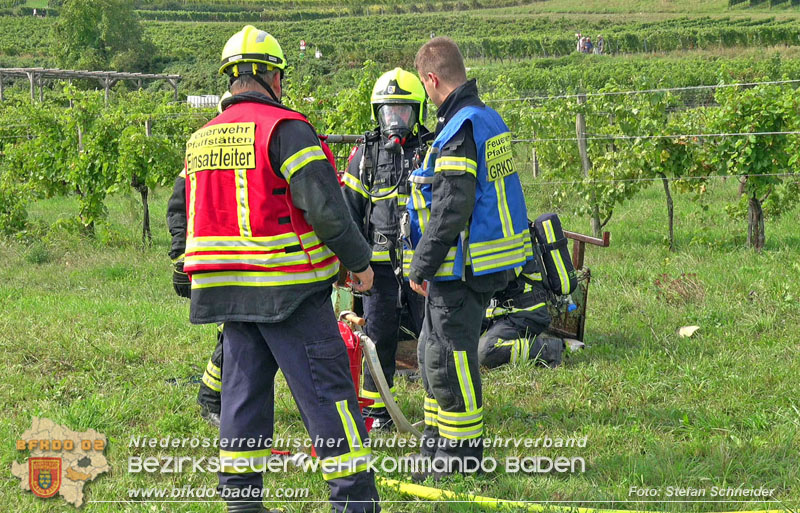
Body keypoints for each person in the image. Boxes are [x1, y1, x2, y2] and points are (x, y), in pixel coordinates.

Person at [182, 25, 380, 513]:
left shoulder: (200, 139)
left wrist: (179, 263)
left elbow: (179, 209)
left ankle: (241, 505)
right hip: (289, 292)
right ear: (272, 75)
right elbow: (326, 209)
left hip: (229, 294)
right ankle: (355, 503)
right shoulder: (285, 128)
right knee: (331, 400)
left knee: (242, 404)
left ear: (230, 78)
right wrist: (360, 264)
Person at [406, 37, 533, 480]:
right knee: (429, 351)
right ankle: (436, 445)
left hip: (461, 268)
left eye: (424, 87)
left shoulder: (459, 127)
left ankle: (461, 457)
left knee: (447, 358)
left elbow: (451, 207)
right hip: (476, 263)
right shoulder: (486, 118)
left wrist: (420, 264)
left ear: (432, 79)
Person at [341, 68, 429, 431]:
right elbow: (349, 209)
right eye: (387, 111)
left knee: (432, 336)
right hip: (378, 270)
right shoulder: (365, 154)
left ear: (417, 111)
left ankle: (438, 407)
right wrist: (351, 262)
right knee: (377, 339)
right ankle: (377, 410)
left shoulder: (432, 148)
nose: (394, 120)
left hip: (424, 266)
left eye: (402, 111)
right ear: (377, 113)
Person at [478, 230, 564, 369]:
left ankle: (551, 348)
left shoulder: (514, 236)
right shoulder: (491, 230)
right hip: (498, 313)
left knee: (484, 352)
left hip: (525, 314)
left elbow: (496, 280)